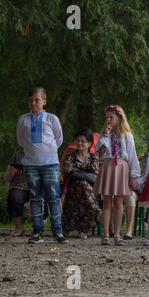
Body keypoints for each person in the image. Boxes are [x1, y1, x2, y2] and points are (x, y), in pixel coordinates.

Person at [17, 86, 66, 244]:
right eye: (31, 100)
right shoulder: (23, 119)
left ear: (44, 101)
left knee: (53, 197)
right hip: (30, 165)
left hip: (50, 164)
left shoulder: (52, 119)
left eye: (37, 100)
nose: (33, 102)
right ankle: (37, 232)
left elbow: (59, 139)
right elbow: (20, 139)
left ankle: (58, 231)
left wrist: (47, 152)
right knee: (35, 198)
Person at [94, 105, 140, 246]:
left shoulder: (127, 135)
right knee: (107, 202)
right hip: (108, 167)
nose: (108, 120)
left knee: (119, 203)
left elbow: (132, 156)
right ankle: (106, 234)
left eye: (111, 117)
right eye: (106, 117)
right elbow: (100, 152)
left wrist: (134, 175)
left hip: (121, 169)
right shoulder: (104, 135)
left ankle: (118, 234)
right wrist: (106, 135)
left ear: (119, 119)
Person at [62, 129, 101, 239]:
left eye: (83, 141)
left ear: (89, 144)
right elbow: (68, 171)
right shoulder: (71, 156)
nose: (79, 143)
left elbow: (94, 172)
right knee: (82, 185)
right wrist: (85, 171)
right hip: (72, 189)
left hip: (91, 190)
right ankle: (96, 212)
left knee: (84, 186)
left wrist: (78, 171)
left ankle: (79, 229)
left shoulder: (94, 157)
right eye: (78, 140)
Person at [3, 151, 29, 236]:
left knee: (48, 195)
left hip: (36, 185)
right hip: (19, 185)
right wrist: (11, 172)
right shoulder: (18, 156)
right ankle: (19, 228)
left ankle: (38, 229)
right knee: (15, 196)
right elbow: (6, 178)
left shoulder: (42, 152)